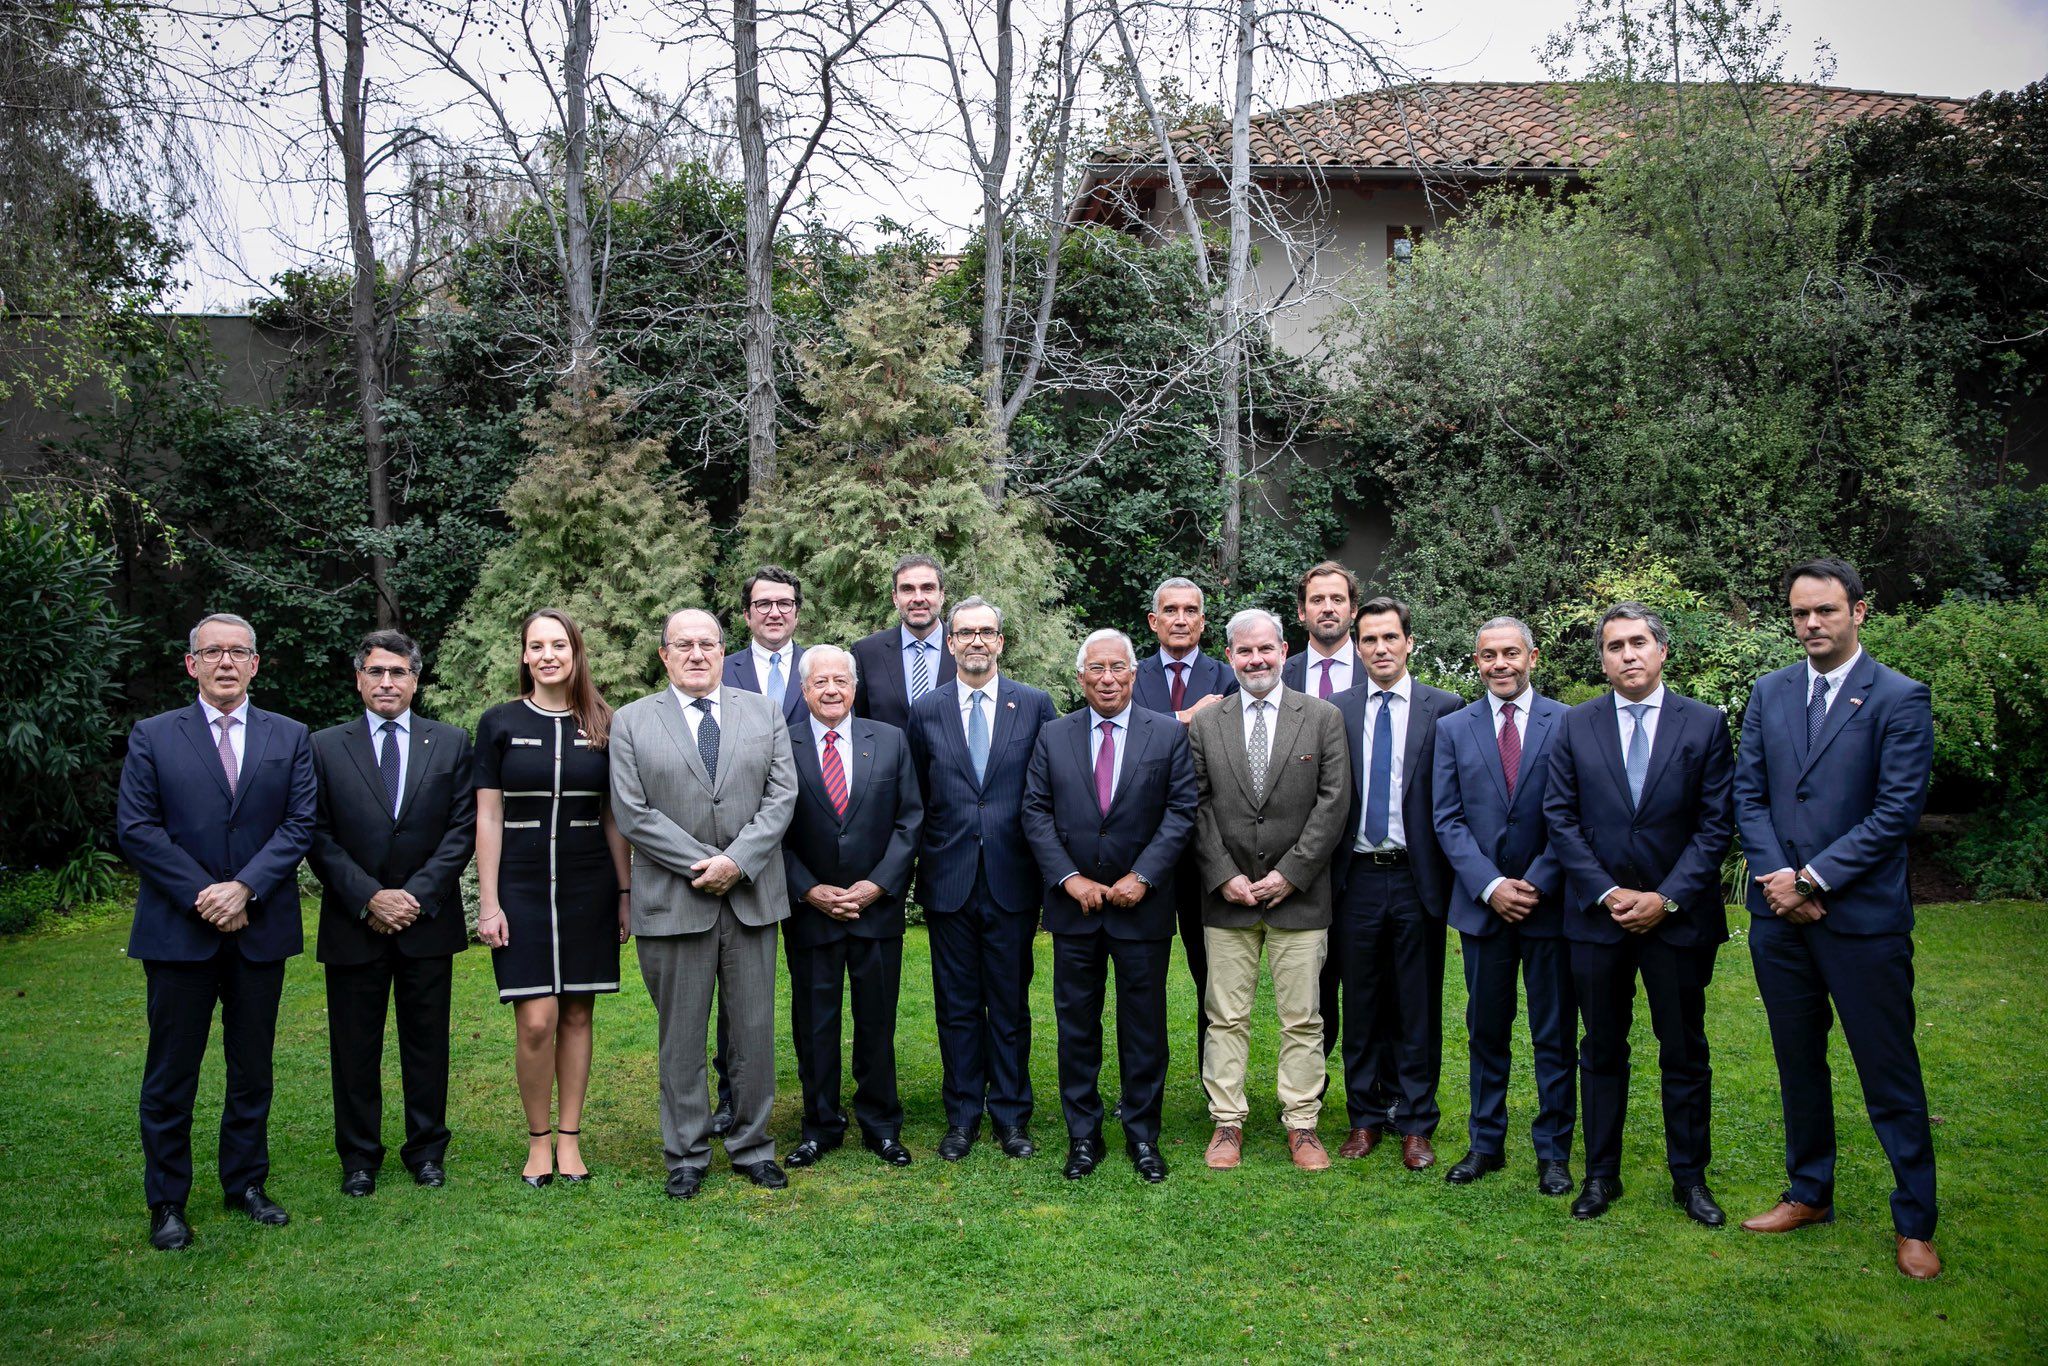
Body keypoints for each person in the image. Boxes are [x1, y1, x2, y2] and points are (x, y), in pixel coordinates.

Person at [1734, 558, 1941, 1279]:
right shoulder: (1771, 692)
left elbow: (1895, 813)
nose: (1811, 624)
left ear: (1859, 611)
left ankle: (1915, 1221)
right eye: (1799, 613)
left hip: (1862, 922)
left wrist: (1815, 877)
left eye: (1824, 610)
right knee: (1798, 1063)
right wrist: (1780, 883)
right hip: (1780, 920)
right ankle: (1809, 1192)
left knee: (1888, 1072)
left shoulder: (1899, 698)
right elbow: (1749, 797)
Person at [118, 612, 316, 1251]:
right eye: (213, 653)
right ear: (191, 664)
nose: (225, 663)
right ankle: (168, 1201)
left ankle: (246, 1183)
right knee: (172, 1072)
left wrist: (245, 888)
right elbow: (138, 829)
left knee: (252, 1066)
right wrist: (206, 894)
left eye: (238, 652)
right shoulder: (153, 736)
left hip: (258, 927)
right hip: (179, 931)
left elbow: (299, 824)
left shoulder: (289, 736)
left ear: (255, 664)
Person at [1541, 604, 1734, 1225]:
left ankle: (1690, 1179)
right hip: (1597, 921)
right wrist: (1605, 892)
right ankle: (1601, 1176)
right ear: (1602, 659)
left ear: (1662, 651)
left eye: (1639, 643)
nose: (1628, 655)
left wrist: (1666, 898)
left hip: (1677, 920)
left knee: (1682, 1049)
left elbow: (1714, 827)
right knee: (1600, 1048)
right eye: (1615, 646)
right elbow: (1560, 819)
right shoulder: (1576, 725)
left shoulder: (1704, 725)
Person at [610, 608, 798, 1199]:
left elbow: (781, 795)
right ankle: (686, 1153)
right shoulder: (632, 721)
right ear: (663, 655)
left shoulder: (763, 712)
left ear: (724, 651)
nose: (696, 654)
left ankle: (752, 1146)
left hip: (750, 899)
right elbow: (632, 811)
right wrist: (704, 864)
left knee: (752, 1031)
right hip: (673, 901)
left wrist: (736, 862)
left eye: (707, 644)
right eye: (682, 645)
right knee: (682, 1036)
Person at [1023, 629, 1198, 1183]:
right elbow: (1035, 812)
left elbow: (1181, 812)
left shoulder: (1167, 735)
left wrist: (1143, 876)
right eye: (1096, 668)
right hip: (1076, 909)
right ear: (1081, 677)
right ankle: (1083, 1136)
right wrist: (1069, 879)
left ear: (1133, 674)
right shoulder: (1053, 736)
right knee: (1077, 1023)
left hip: (1141, 908)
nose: (1107, 678)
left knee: (1143, 1024)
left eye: (1117, 668)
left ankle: (1143, 1136)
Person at [307, 630, 477, 1197]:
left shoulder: (450, 743)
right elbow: (317, 834)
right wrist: (370, 897)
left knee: (426, 1042)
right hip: (354, 922)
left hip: (425, 922)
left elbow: (461, 830)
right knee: (354, 1047)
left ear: (415, 680)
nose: (387, 682)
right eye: (376, 671)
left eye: (398, 672)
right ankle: (359, 1157)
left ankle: (426, 1150)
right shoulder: (324, 746)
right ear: (359, 678)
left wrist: (415, 897)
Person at [473, 609, 633, 1188]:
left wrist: (624, 891)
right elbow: (488, 814)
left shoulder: (605, 723)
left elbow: (614, 815)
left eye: (558, 645)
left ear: (576, 653)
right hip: (520, 882)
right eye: (536, 645)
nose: (548, 655)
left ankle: (569, 1139)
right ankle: (537, 1139)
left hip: (589, 880)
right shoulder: (498, 723)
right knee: (536, 1019)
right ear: (523, 655)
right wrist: (488, 902)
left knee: (577, 1011)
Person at [1187, 608, 1350, 1173]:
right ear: (1229, 656)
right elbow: (1197, 804)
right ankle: (1226, 1122)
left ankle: (1301, 1123)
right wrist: (1222, 874)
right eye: (1243, 651)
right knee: (1224, 1016)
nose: (1255, 660)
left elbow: (1334, 803)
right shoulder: (1208, 722)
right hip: (1225, 898)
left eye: (1265, 650)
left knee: (1303, 1017)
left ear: (1284, 650)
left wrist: (1293, 872)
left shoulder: (1323, 717)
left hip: (1300, 897)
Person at [907, 596, 1057, 1161]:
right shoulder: (927, 711)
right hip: (948, 881)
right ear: (949, 644)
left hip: (1012, 881)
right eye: (964, 632)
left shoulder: (1034, 705)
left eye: (986, 632)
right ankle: (963, 1115)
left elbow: (1045, 795)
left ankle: (1013, 1116)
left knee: (1011, 1004)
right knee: (957, 1006)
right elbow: (917, 798)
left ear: (1000, 641)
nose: (975, 641)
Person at [1432, 617, 1577, 1195]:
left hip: (1549, 906)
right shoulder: (1453, 728)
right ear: (1476, 661)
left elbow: (1571, 813)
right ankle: (1485, 1143)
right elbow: (1447, 818)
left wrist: (1536, 882)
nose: (1500, 664)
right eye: (1489, 655)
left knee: (1553, 1032)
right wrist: (1491, 885)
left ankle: (1554, 1152)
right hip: (1483, 906)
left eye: (1510, 653)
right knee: (1486, 1029)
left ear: (1532, 657)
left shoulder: (1567, 723)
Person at [1327, 596, 1461, 1171]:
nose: (1380, 649)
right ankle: (1363, 1116)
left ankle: (1414, 1120)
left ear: (1409, 642)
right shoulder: (1335, 709)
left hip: (1417, 877)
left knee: (1416, 1002)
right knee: (1359, 1003)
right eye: (1369, 640)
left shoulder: (1446, 709)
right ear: (1357, 648)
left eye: (1390, 638)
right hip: (1354, 876)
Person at [780, 644, 924, 1169]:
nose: (832, 690)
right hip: (810, 912)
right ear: (804, 690)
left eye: (840, 680)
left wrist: (878, 885)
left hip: (875, 912)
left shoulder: (889, 741)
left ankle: (881, 1125)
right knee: (814, 1024)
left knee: (876, 1023)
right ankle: (819, 1126)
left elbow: (910, 821)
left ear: (855, 687)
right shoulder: (783, 744)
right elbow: (773, 829)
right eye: (820, 682)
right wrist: (809, 889)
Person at [709, 564, 808, 1134]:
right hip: (741, 852)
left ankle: (815, 1092)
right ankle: (732, 1095)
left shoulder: (823, 668)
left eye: (786, 604)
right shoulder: (725, 669)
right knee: (734, 985)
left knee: (810, 983)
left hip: (810, 850)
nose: (776, 612)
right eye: (764, 604)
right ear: (746, 614)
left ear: (797, 612)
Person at [1131, 575, 1236, 1074]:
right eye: (1169, 610)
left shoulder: (1227, 677)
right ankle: (1142, 1079)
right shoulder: (1129, 674)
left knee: (1211, 974)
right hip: (1141, 846)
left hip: (1205, 850)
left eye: (1190, 610)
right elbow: (1125, 737)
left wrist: (1161, 720)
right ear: (1153, 621)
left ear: (1202, 620)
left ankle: (1213, 1080)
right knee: (1141, 978)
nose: (1180, 618)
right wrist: (1185, 716)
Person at [1280, 560, 1363, 1060]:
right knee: (1308, 979)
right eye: (1317, 600)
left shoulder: (1378, 665)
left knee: (1365, 975)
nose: (1327, 608)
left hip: (1361, 848)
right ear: (1301, 612)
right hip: (1292, 850)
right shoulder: (1276, 672)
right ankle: (1313, 1077)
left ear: (1353, 610)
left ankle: (1377, 1087)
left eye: (1337, 599)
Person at [852, 554, 955, 729]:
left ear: (942, 595)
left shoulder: (964, 648)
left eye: (927, 588)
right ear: (895, 597)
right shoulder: (866, 653)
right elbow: (858, 724)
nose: (918, 598)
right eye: (907, 589)